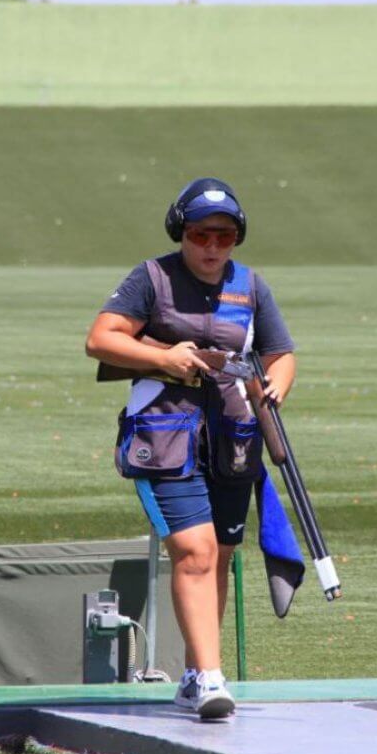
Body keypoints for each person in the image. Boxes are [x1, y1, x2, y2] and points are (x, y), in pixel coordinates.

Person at [85, 177, 296, 720]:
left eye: (225, 237)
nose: (213, 246)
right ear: (181, 231)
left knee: (218, 558)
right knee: (196, 552)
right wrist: (164, 359)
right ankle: (210, 679)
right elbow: (101, 339)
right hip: (164, 436)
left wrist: (275, 387)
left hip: (233, 440)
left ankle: (196, 674)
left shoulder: (251, 286)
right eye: (202, 234)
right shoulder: (151, 278)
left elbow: (280, 353)